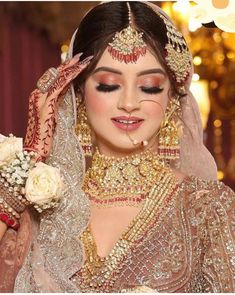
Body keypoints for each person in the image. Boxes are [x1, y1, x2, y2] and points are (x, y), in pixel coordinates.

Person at [0, 1, 235, 292]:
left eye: (149, 86)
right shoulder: (43, 207)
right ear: (79, 93)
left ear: (172, 98)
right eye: (109, 85)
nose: (128, 104)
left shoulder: (209, 209)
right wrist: (31, 158)